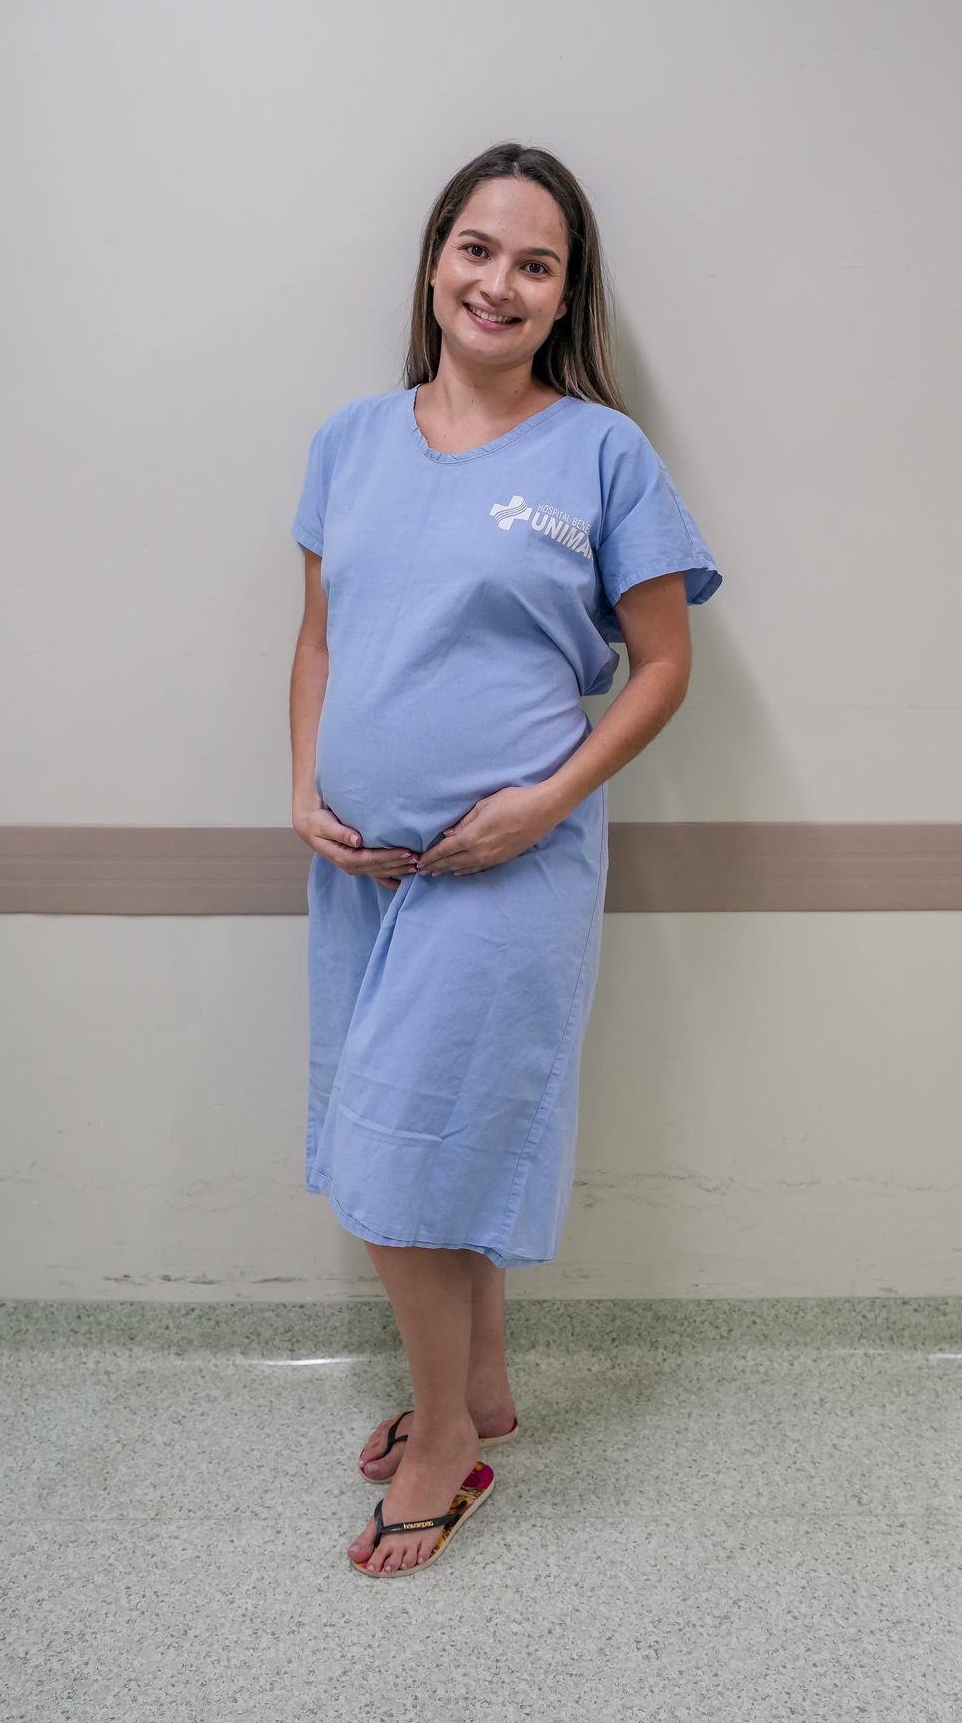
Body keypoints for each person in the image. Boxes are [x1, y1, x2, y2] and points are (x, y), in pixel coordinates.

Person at [289, 143, 720, 1577]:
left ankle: (441, 1446)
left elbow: (664, 667)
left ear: (565, 296)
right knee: (429, 1142)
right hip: (358, 873)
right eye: (478, 249)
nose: (500, 282)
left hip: (507, 872)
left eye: (537, 263)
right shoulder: (351, 440)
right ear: (435, 262)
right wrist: (303, 789)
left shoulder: (601, 453)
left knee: (400, 1162)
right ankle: (478, 1384)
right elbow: (319, 639)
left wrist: (543, 804)